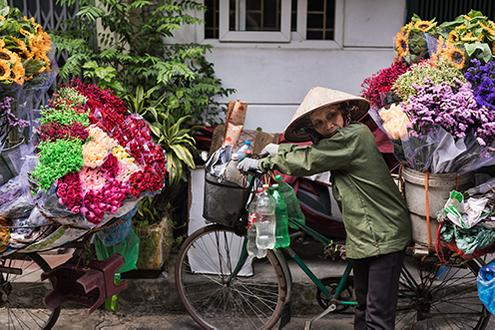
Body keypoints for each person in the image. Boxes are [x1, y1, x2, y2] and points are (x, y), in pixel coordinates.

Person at [238, 87, 411, 330]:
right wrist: (280, 150)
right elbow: (316, 152)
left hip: (383, 232)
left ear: (344, 112)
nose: (328, 125)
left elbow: (311, 159)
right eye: (319, 123)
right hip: (366, 234)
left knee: (377, 318)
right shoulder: (338, 142)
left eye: (332, 116)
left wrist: (266, 161)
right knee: (362, 309)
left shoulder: (356, 135)